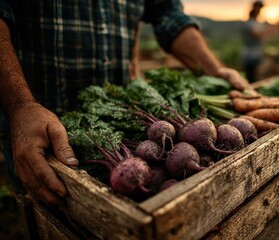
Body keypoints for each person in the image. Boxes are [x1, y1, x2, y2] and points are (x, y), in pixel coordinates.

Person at [0, 0, 254, 207]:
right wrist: (20, 105)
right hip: (39, 125)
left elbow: (169, 16)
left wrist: (216, 70)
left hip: (128, 124)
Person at [241, 0, 268, 82]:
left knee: (256, 76)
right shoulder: (250, 23)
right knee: (251, 77)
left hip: (257, 53)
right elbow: (256, 35)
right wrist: (267, 30)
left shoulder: (257, 23)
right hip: (250, 54)